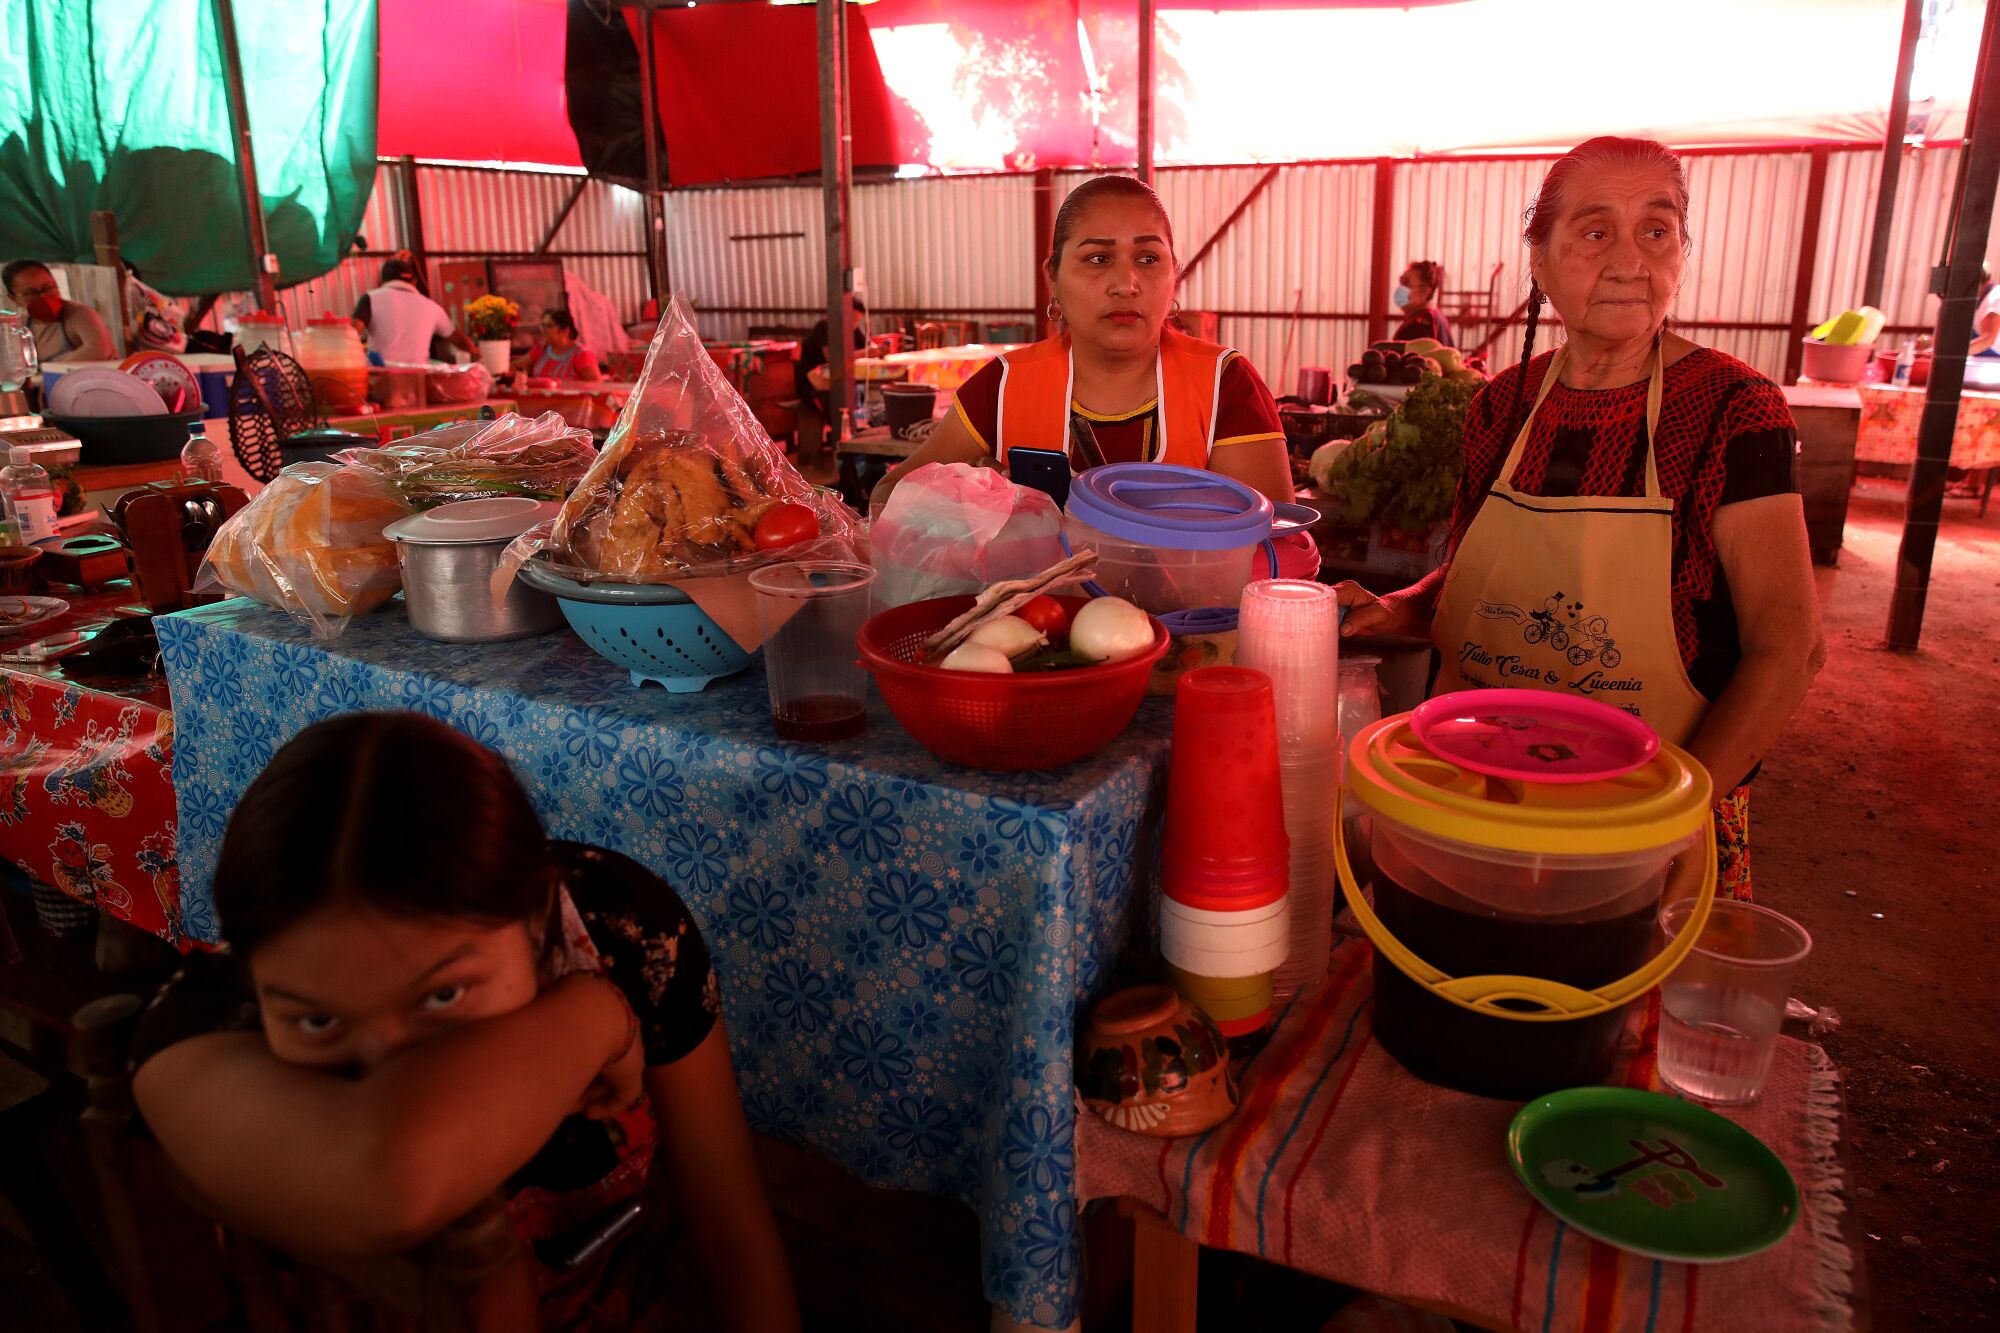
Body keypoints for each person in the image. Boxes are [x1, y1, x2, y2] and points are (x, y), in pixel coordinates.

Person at [130, 713, 800, 1332]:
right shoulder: (199, 1028)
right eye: (318, 1018)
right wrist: (596, 1016)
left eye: (444, 995)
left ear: (538, 919)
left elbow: (730, 1227)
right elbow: (395, 1177)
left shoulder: (623, 932)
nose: (395, 1062)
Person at [1339, 137, 1826, 902]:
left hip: (1651, 828)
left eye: (1657, 231)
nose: (1632, 260)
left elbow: (1788, 648)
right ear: (1540, 260)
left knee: (1624, 1017)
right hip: (1480, 796)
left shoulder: (1734, 408)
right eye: (1596, 231)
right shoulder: (1501, 405)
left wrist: (1674, 817)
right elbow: (1471, 581)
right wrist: (1393, 608)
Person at [870, 176, 1292, 511]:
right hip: (1035, 619)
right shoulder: (1003, 386)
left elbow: (1278, 540)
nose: (1126, 285)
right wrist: (971, 498)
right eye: (1097, 258)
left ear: (1174, 274)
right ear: (1052, 276)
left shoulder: (1225, 383)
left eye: (1148, 259)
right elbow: (889, 496)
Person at [350, 258, 474, 365]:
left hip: (380, 378)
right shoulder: (432, 306)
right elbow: (461, 342)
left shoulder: (371, 298)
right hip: (418, 378)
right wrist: (479, 356)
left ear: (382, 280)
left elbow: (351, 333)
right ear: (414, 281)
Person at [3, 260, 115, 364]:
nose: (43, 296)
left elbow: (99, 350)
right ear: (14, 299)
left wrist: (51, 373)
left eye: (48, 287)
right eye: (31, 292)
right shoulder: (23, 325)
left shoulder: (78, 313)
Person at [523, 308, 603, 381]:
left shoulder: (582, 354)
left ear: (565, 331)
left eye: (548, 326)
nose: (543, 330)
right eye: (543, 325)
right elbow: (516, 367)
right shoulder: (541, 349)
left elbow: (595, 386)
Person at [1391, 260, 1455, 348]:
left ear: (1424, 292)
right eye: (1401, 281)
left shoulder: (1417, 326)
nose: (1400, 288)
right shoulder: (1436, 316)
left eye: (1406, 283)